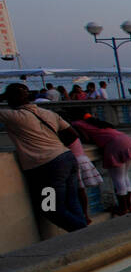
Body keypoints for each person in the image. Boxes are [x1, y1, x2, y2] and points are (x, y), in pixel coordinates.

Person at [0, 83, 89, 232]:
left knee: (51, 209)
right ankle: (84, 234)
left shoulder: (13, 116)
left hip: (47, 166)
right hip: (66, 157)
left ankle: (85, 235)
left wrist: (2, 96)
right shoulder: (48, 113)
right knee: (71, 201)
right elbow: (73, 134)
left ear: (11, 99)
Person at [67, 110, 131, 215]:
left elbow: (85, 138)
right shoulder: (94, 122)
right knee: (125, 176)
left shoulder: (76, 124)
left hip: (115, 145)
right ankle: (128, 206)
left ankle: (123, 208)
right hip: (126, 140)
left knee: (118, 179)